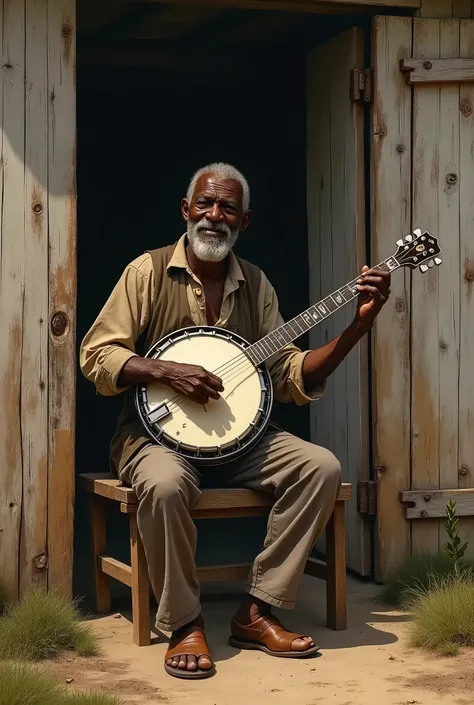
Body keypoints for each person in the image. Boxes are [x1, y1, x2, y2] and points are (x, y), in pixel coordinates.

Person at [80, 162, 391, 680]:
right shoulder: (147, 272)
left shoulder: (258, 285)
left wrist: (357, 328)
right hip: (155, 435)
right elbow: (97, 354)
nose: (214, 216)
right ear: (186, 210)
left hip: (241, 438)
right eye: (205, 204)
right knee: (163, 482)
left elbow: (290, 375)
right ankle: (184, 623)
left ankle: (257, 610)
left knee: (319, 467)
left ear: (243, 222)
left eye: (227, 208)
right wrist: (164, 369)